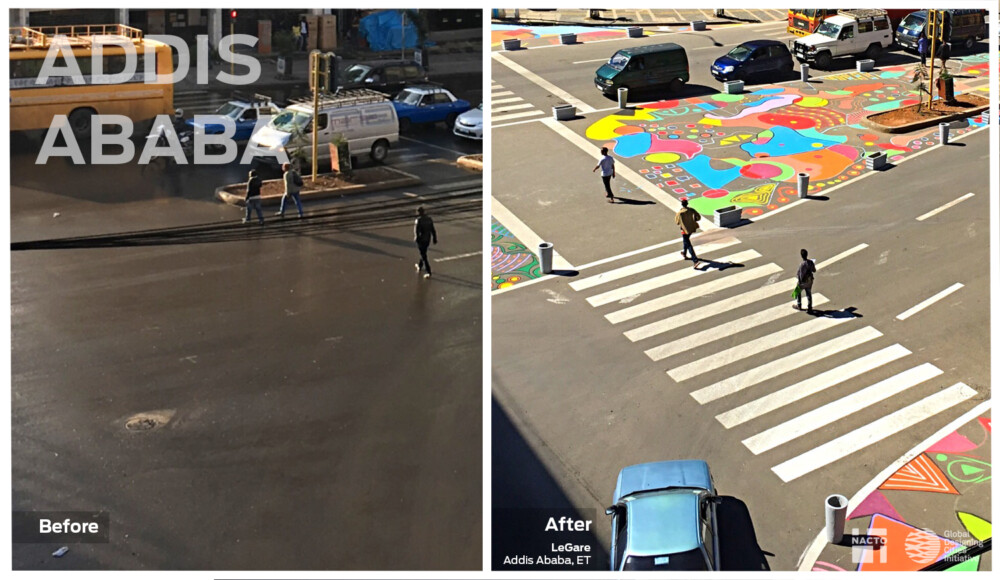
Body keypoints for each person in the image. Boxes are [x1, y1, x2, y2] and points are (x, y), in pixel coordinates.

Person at [674, 199, 702, 268]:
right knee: (685, 241)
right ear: (687, 203)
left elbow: (677, 222)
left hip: (684, 230)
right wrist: (694, 220)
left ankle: (695, 260)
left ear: (682, 204)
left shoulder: (680, 213)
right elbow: (698, 217)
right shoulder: (691, 210)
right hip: (691, 228)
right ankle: (684, 253)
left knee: (688, 244)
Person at [414, 206, 437, 279]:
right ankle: (420, 266)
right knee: (423, 253)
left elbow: (416, 231)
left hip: (421, 240)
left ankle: (428, 271)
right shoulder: (429, 219)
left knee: (423, 255)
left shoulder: (418, 220)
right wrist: (434, 238)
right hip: (428, 239)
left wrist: (416, 238)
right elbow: (433, 229)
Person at [795, 248, 817, 313]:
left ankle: (799, 305)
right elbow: (814, 270)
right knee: (808, 294)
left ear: (802, 256)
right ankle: (810, 307)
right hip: (810, 281)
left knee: (798, 291)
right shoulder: (810, 262)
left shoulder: (802, 265)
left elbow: (800, 275)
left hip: (803, 282)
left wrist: (799, 283)